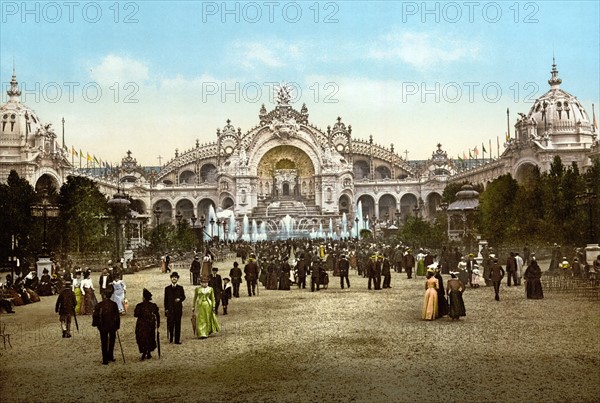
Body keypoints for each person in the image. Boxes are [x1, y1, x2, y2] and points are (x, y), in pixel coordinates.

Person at [92, 289, 120, 365]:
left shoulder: (99, 304)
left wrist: (96, 324)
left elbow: (95, 315)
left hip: (103, 326)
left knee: (104, 342)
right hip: (112, 326)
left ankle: (105, 359)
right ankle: (110, 356)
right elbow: (117, 316)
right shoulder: (114, 304)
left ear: (104, 296)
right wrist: (117, 325)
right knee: (112, 341)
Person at [134, 288, 160, 360]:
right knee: (150, 337)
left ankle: (144, 352)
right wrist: (158, 324)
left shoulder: (139, 305)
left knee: (141, 338)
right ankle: (148, 352)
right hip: (150, 324)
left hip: (141, 324)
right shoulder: (153, 305)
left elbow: (135, 314)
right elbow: (157, 315)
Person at [164, 271, 186, 344]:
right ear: (171, 279)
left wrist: (179, 299)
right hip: (170, 309)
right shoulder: (167, 289)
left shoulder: (180, 288)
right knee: (170, 324)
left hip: (178, 309)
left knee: (177, 324)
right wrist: (166, 309)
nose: (174, 279)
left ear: (177, 279)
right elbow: (165, 300)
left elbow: (183, 297)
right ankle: (171, 337)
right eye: (173, 278)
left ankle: (177, 339)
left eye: (175, 278)